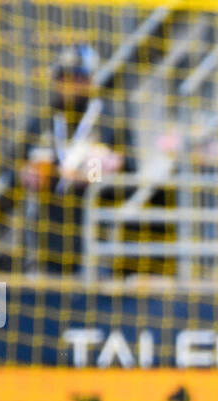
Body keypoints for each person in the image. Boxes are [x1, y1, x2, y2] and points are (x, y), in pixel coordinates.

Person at [18, 45, 131, 275]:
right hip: (46, 237)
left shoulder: (108, 121)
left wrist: (102, 172)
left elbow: (131, 175)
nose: (69, 85)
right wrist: (25, 173)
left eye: (77, 78)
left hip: (94, 238)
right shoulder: (44, 121)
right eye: (64, 77)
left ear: (90, 80)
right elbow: (12, 165)